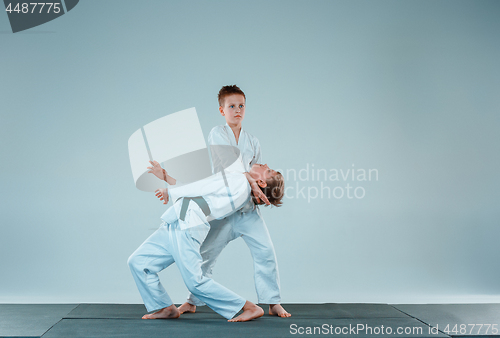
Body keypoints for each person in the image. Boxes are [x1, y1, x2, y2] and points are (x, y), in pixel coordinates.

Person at [128, 152, 284, 322]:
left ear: (260, 182)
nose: (265, 165)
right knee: (138, 262)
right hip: (178, 219)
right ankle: (166, 308)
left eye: (269, 171)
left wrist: (170, 191)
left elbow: (202, 188)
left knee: (195, 283)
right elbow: (202, 188)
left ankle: (247, 307)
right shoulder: (240, 182)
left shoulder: (239, 182)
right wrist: (166, 177)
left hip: (189, 224)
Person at [178, 85, 291, 318]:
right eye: (232, 106)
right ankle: (192, 301)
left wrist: (260, 192)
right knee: (206, 254)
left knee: (266, 251)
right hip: (225, 209)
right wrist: (249, 180)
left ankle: (272, 302)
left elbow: (259, 172)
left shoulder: (253, 141)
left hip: (248, 212)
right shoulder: (217, 134)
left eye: (241, 106)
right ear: (222, 110)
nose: (237, 110)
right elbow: (231, 167)